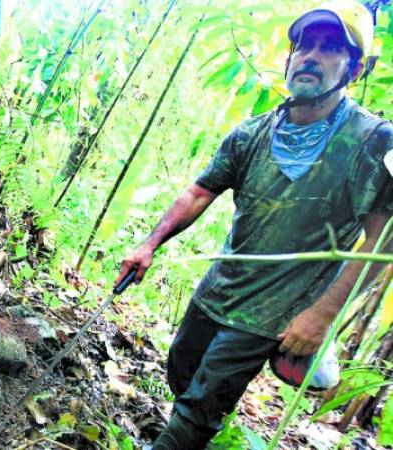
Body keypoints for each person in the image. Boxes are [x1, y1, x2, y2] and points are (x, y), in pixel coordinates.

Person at [114, 2, 393, 449]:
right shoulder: (252, 134)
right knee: (182, 368)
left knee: (200, 404)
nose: (310, 57)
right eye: (304, 46)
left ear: (354, 69)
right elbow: (198, 192)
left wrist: (321, 317)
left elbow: (383, 242)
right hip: (220, 286)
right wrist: (149, 245)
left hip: (274, 312)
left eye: (329, 49)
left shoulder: (371, 141)